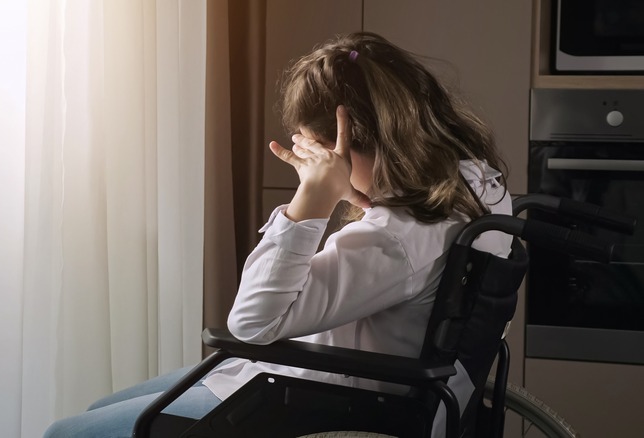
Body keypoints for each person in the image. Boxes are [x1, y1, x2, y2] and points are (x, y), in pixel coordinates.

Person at [44, 30, 511, 438]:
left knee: (65, 432)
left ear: (345, 147)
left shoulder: (394, 238)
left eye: (314, 147)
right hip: (386, 387)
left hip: (313, 397)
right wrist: (352, 190)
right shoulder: (480, 186)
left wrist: (310, 200)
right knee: (98, 414)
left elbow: (252, 323)